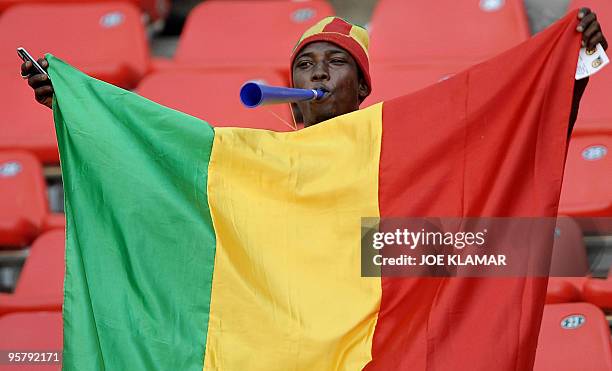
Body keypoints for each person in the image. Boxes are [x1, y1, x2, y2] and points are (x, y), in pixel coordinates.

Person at [21, 8, 607, 130]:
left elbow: (510, 145)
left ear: (363, 88)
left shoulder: (395, 141)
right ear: (291, 93)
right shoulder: (252, 156)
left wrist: (574, 69)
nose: (319, 72)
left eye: (336, 63)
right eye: (305, 64)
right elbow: (151, 154)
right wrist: (77, 104)